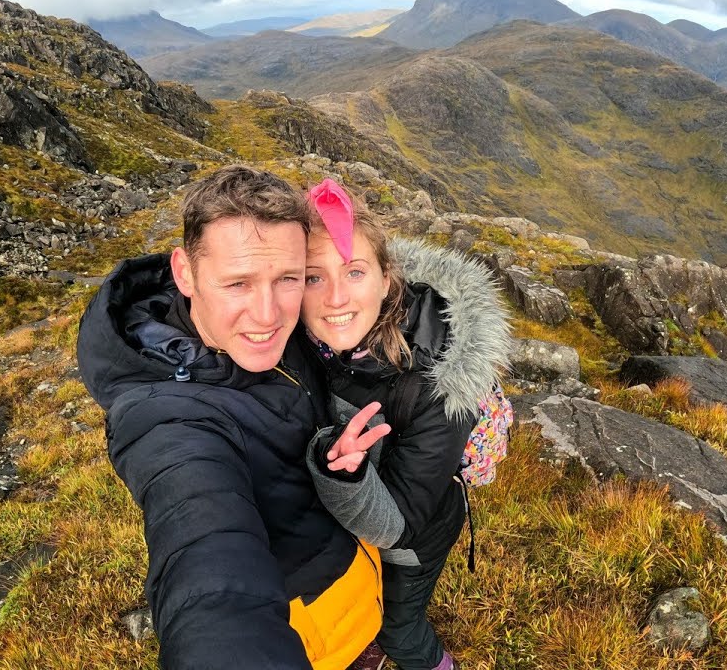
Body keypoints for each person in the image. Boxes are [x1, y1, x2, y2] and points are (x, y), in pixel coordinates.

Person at [76, 166, 385, 669]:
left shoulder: (289, 322)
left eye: (287, 278)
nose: (268, 315)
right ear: (185, 273)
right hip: (310, 633)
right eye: (238, 283)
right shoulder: (164, 418)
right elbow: (207, 558)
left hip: (358, 580)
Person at [300, 179, 513, 670]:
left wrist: (343, 475)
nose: (334, 297)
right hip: (349, 532)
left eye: (354, 271)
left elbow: (396, 525)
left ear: (386, 276)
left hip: (414, 537)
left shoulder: (438, 383)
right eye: (314, 277)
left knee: (400, 629)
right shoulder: (307, 340)